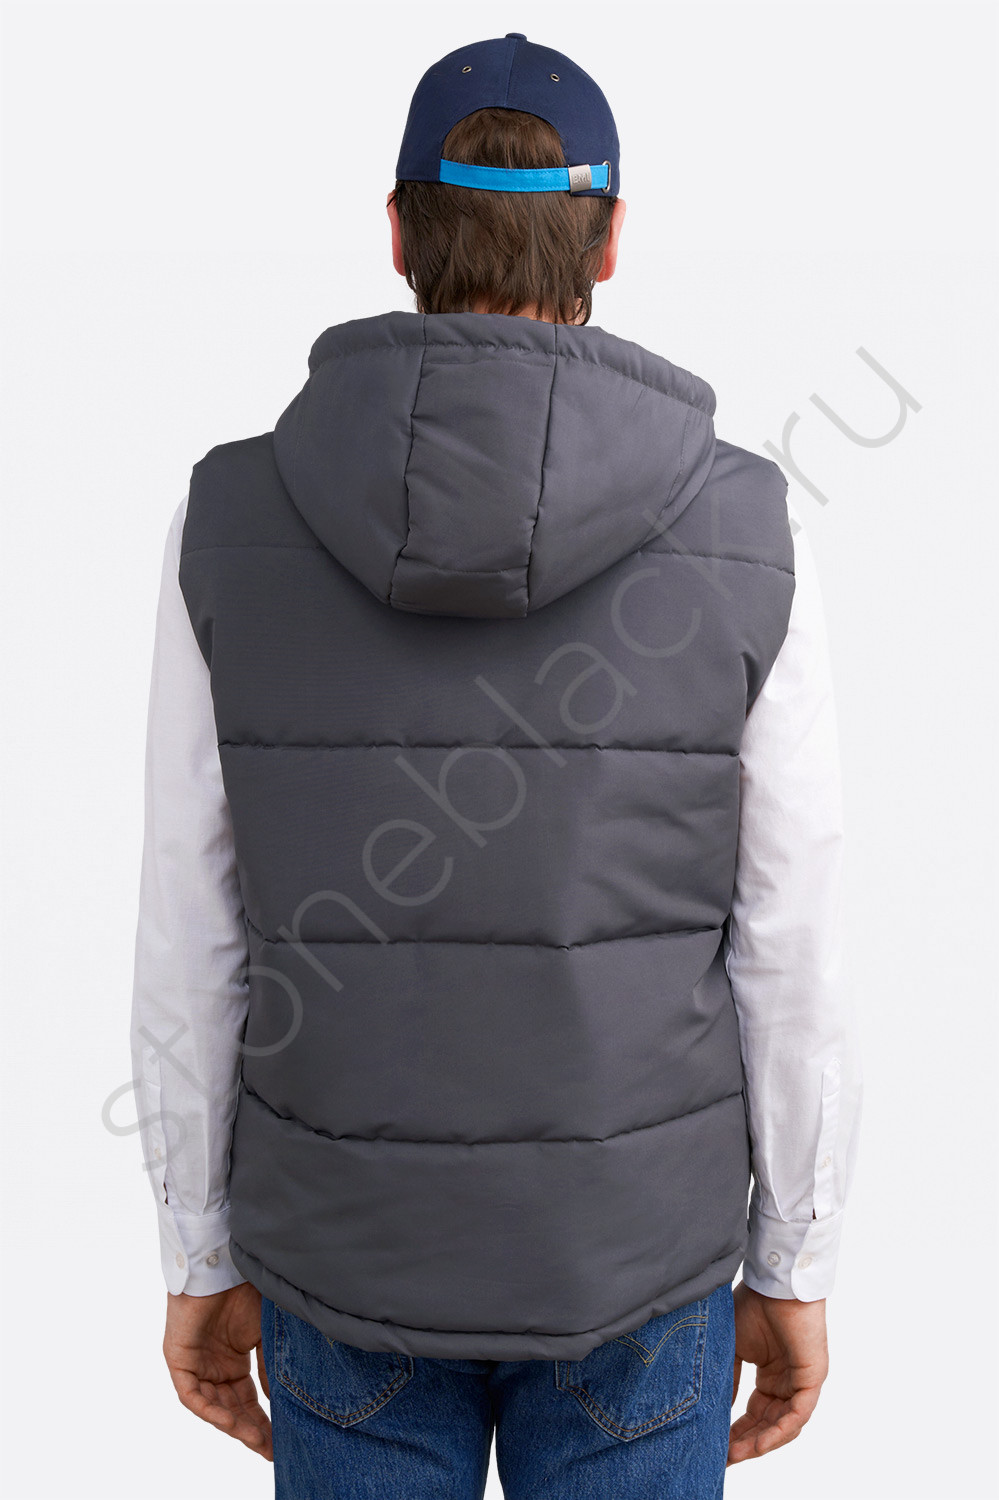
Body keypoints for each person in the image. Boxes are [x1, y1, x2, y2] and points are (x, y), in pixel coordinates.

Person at [130, 31, 863, 1500]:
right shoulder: (747, 529)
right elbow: (792, 939)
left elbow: (191, 927)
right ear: (609, 239)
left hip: (344, 1264)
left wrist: (197, 1250)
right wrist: (796, 1256)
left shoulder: (228, 519)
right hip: (634, 1272)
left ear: (400, 233)